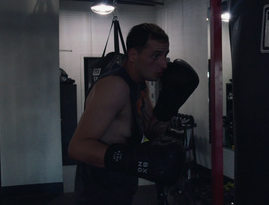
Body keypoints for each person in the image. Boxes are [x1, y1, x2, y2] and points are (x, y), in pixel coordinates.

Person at [68, 23, 199, 204]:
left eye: (165, 55)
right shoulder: (115, 87)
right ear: (133, 55)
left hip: (121, 189)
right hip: (97, 195)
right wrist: (133, 160)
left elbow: (150, 132)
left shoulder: (140, 86)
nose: (164, 63)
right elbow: (76, 147)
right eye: (156, 55)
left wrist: (168, 104)